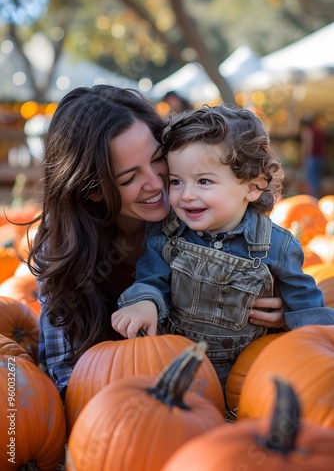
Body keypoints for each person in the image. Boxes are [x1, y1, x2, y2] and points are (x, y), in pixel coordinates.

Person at [26, 86, 285, 399]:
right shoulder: (63, 250)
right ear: (93, 190)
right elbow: (67, 377)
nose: (155, 183)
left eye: (158, 159)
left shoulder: (197, 213)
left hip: (218, 387)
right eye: (129, 178)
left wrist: (281, 309)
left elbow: (265, 258)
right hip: (124, 404)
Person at [112, 105, 334, 388]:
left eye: (204, 181)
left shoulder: (276, 245)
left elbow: (305, 305)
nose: (186, 195)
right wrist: (144, 302)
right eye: (176, 181)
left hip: (249, 376)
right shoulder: (166, 234)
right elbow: (152, 279)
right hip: (177, 372)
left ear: (253, 186)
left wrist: (322, 340)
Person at [299, 114, 326, 198]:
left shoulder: (307, 131)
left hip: (312, 158)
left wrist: (303, 158)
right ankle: (318, 198)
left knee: (311, 181)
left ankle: (312, 200)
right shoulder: (320, 130)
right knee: (317, 180)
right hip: (320, 158)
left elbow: (308, 145)